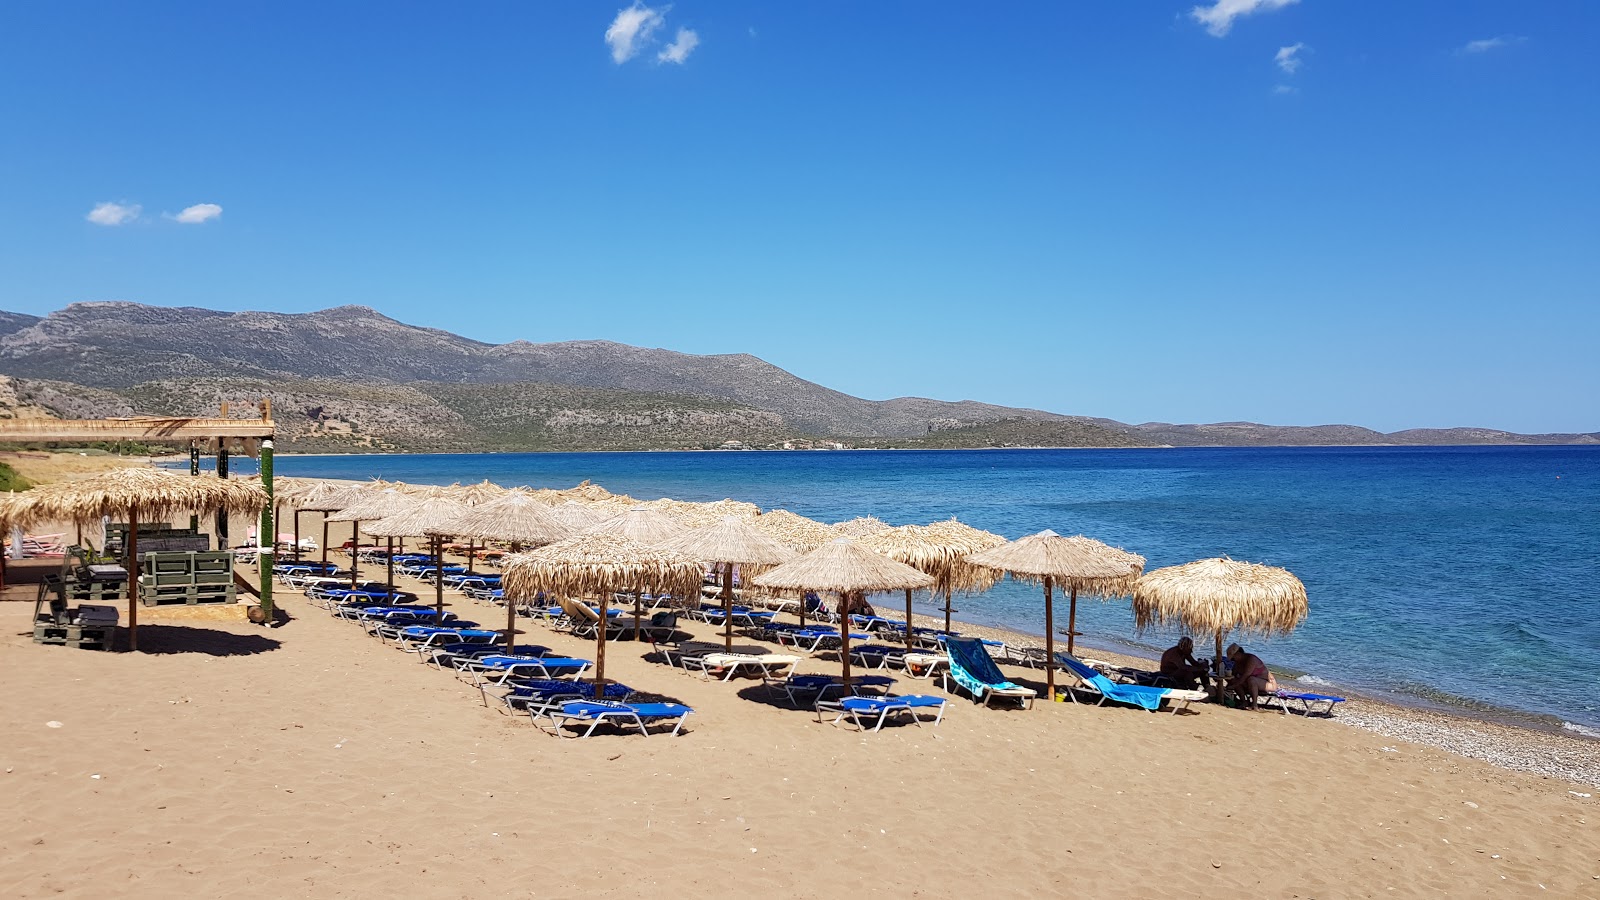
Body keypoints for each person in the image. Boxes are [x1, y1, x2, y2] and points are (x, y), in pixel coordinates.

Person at [1224, 643, 1277, 709]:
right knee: (1235, 680)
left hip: (1268, 683)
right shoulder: (1238, 662)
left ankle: (1254, 704)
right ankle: (1243, 701)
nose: (1233, 660)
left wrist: (1233, 686)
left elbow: (1245, 675)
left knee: (1251, 679)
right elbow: (1234, 674)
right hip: (1251, 683)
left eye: (1233, 658)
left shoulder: (1251, 659)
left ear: (1238, 654)